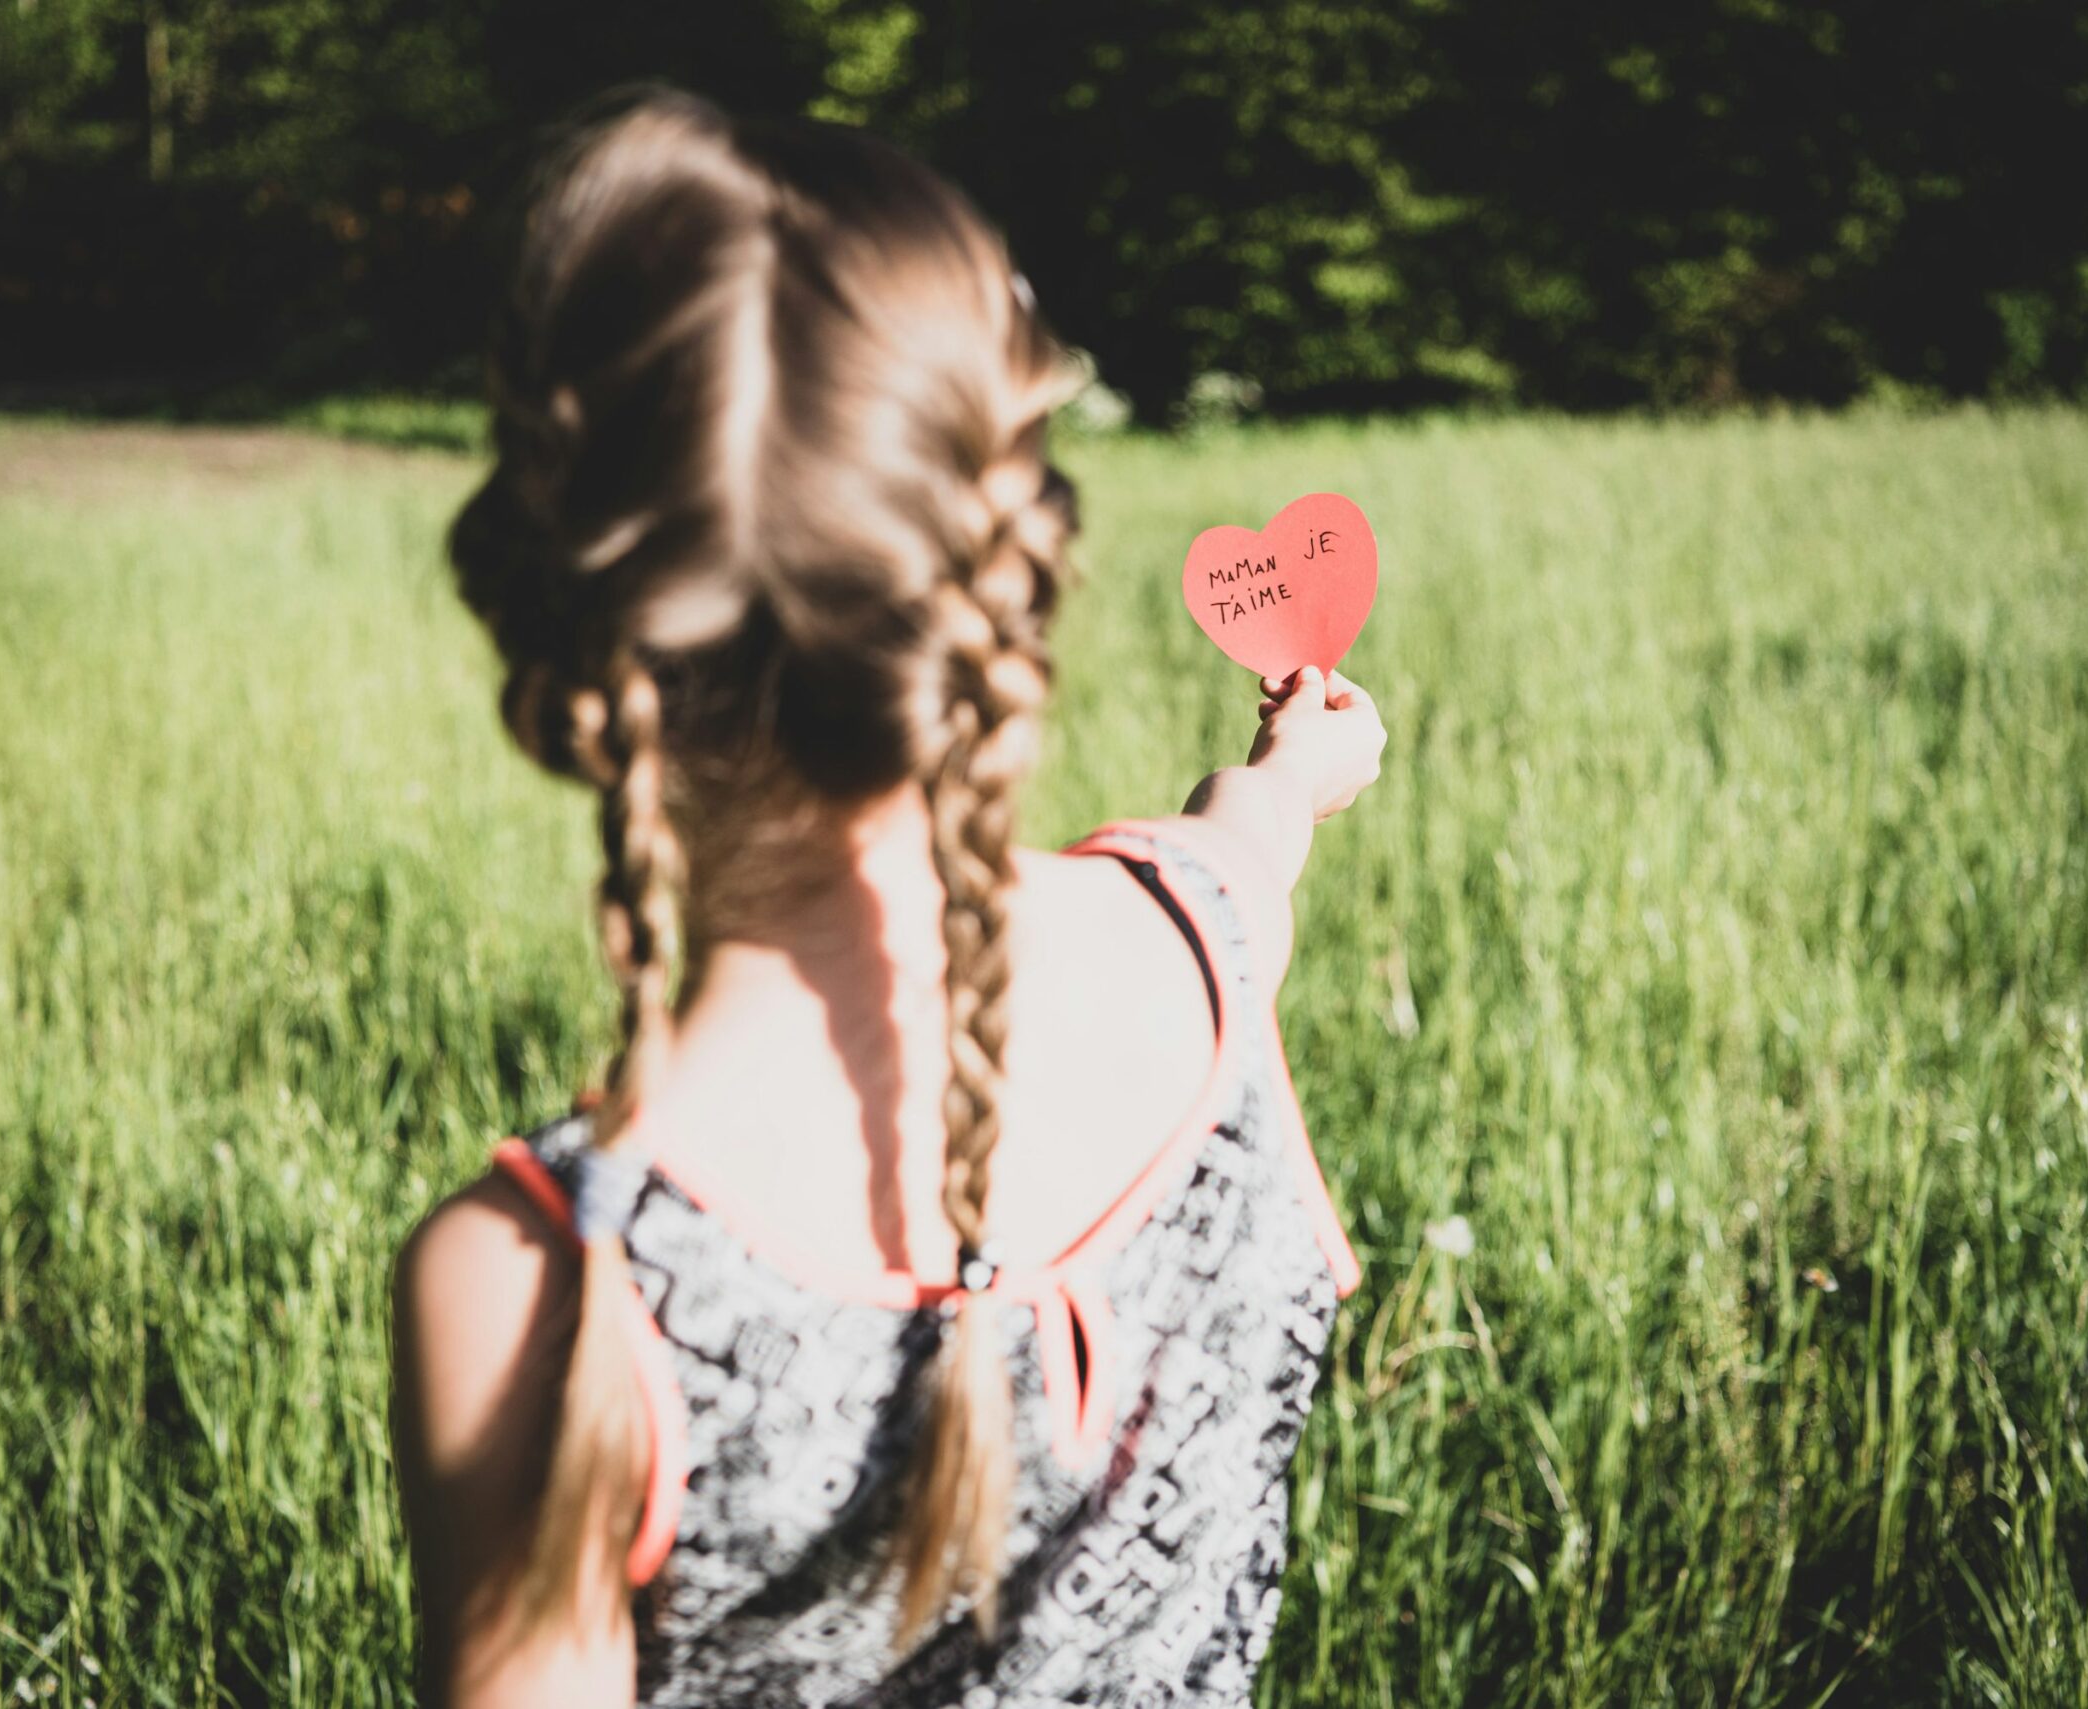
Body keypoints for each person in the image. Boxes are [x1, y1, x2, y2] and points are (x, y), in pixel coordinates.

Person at [391, 88, 1387, 1708]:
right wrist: (1295, 766)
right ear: (1009, 562)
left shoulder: (537, 1290)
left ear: (556, 629)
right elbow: (1249, 842)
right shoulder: (1202, 949)